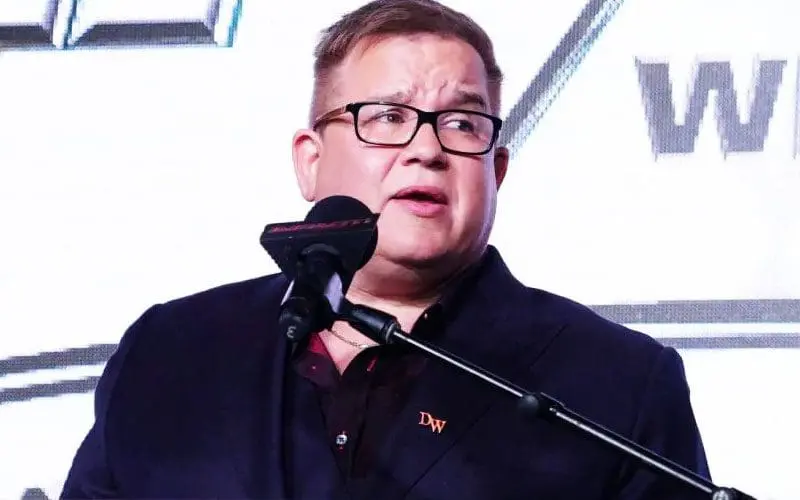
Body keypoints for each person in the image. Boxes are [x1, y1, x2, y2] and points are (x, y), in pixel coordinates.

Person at [60, 0, 711, 498]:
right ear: (310, 162)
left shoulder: (615, 385)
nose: (427, 149)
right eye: (387, 118)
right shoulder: (171, 352)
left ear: (496, 171)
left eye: (463, 123)